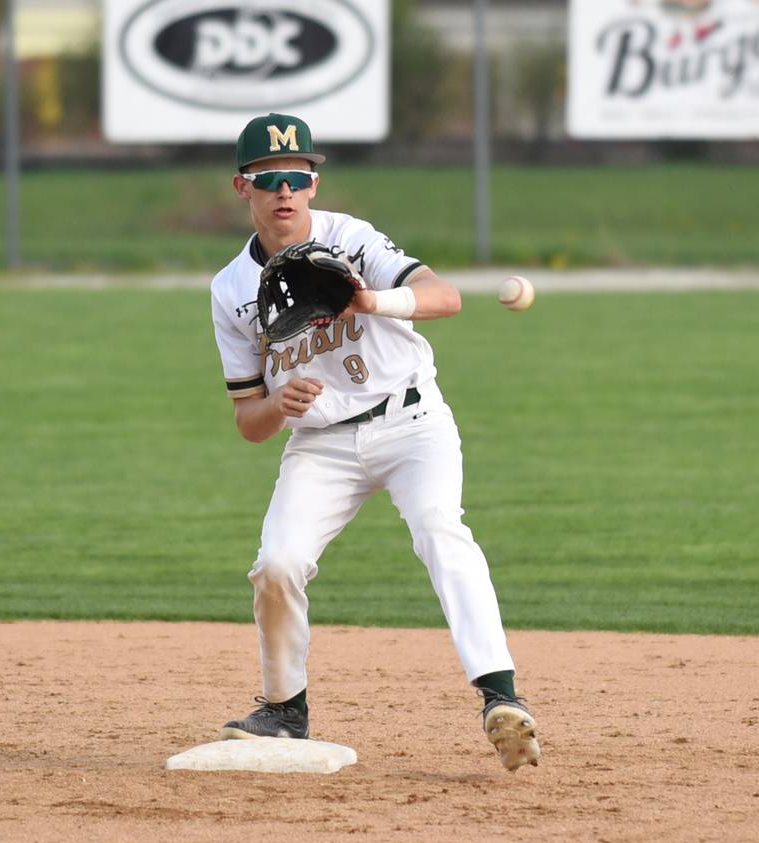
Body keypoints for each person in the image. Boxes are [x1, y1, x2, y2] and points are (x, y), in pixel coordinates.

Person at [207, 113, 539, 772]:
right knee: (277, 563)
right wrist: (278, 403)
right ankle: (283, 710)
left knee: (440, 527)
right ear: (242, 186)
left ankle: (500, 696)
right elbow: (248, 418)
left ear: (313, 183)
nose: (285, 192)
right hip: (321, 444)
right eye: (269, 179)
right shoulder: (230, 289)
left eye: (297, 178)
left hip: (410, 420)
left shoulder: (350, 239)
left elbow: (443, 297)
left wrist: (371, 302)